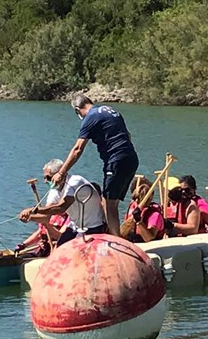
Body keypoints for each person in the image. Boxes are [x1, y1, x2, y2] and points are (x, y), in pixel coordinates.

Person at [51, 95, 139, 236]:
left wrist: (61, 172)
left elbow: (78, 148)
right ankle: (112, 236)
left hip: (115, 160)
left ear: (77, 110)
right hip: (131, 158)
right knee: (110, 201)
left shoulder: (90, 117)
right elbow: (128, 136)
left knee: (109, 204)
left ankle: (116, 242)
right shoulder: (111, 110)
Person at [18, 157, 107, 248]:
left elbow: (61, 208)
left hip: (93, 226)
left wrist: (34, 210)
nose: (45, 181)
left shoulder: (75, 182)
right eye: (44, 178)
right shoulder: (54, 190)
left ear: (60, 174)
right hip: (75, 226)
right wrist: (29, 217)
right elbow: (45, 216)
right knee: (59, 248)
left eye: (48, 177)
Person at [123, 177, 166, 243]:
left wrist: (139, 221)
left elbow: (149, 238)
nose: (136, 201)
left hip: (148, 246)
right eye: (135, 198)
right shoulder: (132, 208)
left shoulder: (154, 215)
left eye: (139, 197)